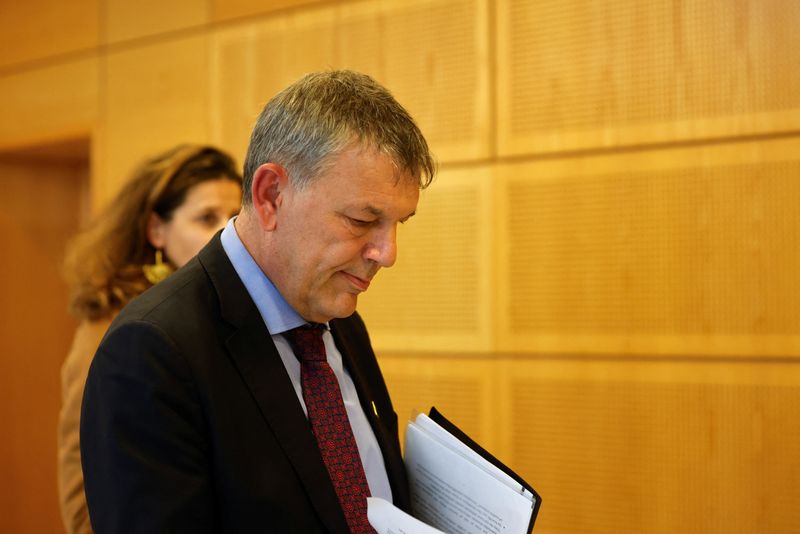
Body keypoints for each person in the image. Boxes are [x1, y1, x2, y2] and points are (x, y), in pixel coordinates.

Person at [80, 70, 435, 533]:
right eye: (361, 220)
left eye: (398, 224)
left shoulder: (339, 318)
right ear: (271, 195)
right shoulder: (152, 353)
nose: (387, 254)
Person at [58, 145, 243, 534]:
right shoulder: (117, 332)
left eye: (235, 216)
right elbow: (83, 493)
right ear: (156, 230)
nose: (227, 232)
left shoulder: (224, 312)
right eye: (207, 217)